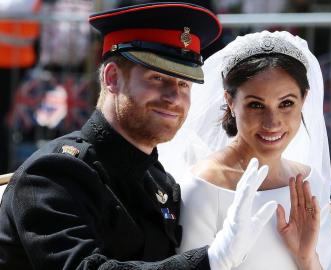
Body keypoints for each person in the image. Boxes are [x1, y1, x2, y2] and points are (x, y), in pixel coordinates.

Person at [0, 3, 278, 269]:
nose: (174, 97)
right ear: (112, 78)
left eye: (184, 84)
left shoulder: (160, 181)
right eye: (158, 79)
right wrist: (213, 260)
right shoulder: (53, 175)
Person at [159, 31, 331, 269]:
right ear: (231, 101)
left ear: (304, 100)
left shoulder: (308, 181)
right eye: (256, 105)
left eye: (286, 103)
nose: (272, 122)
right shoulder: (204, 186)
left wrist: (306, 258)